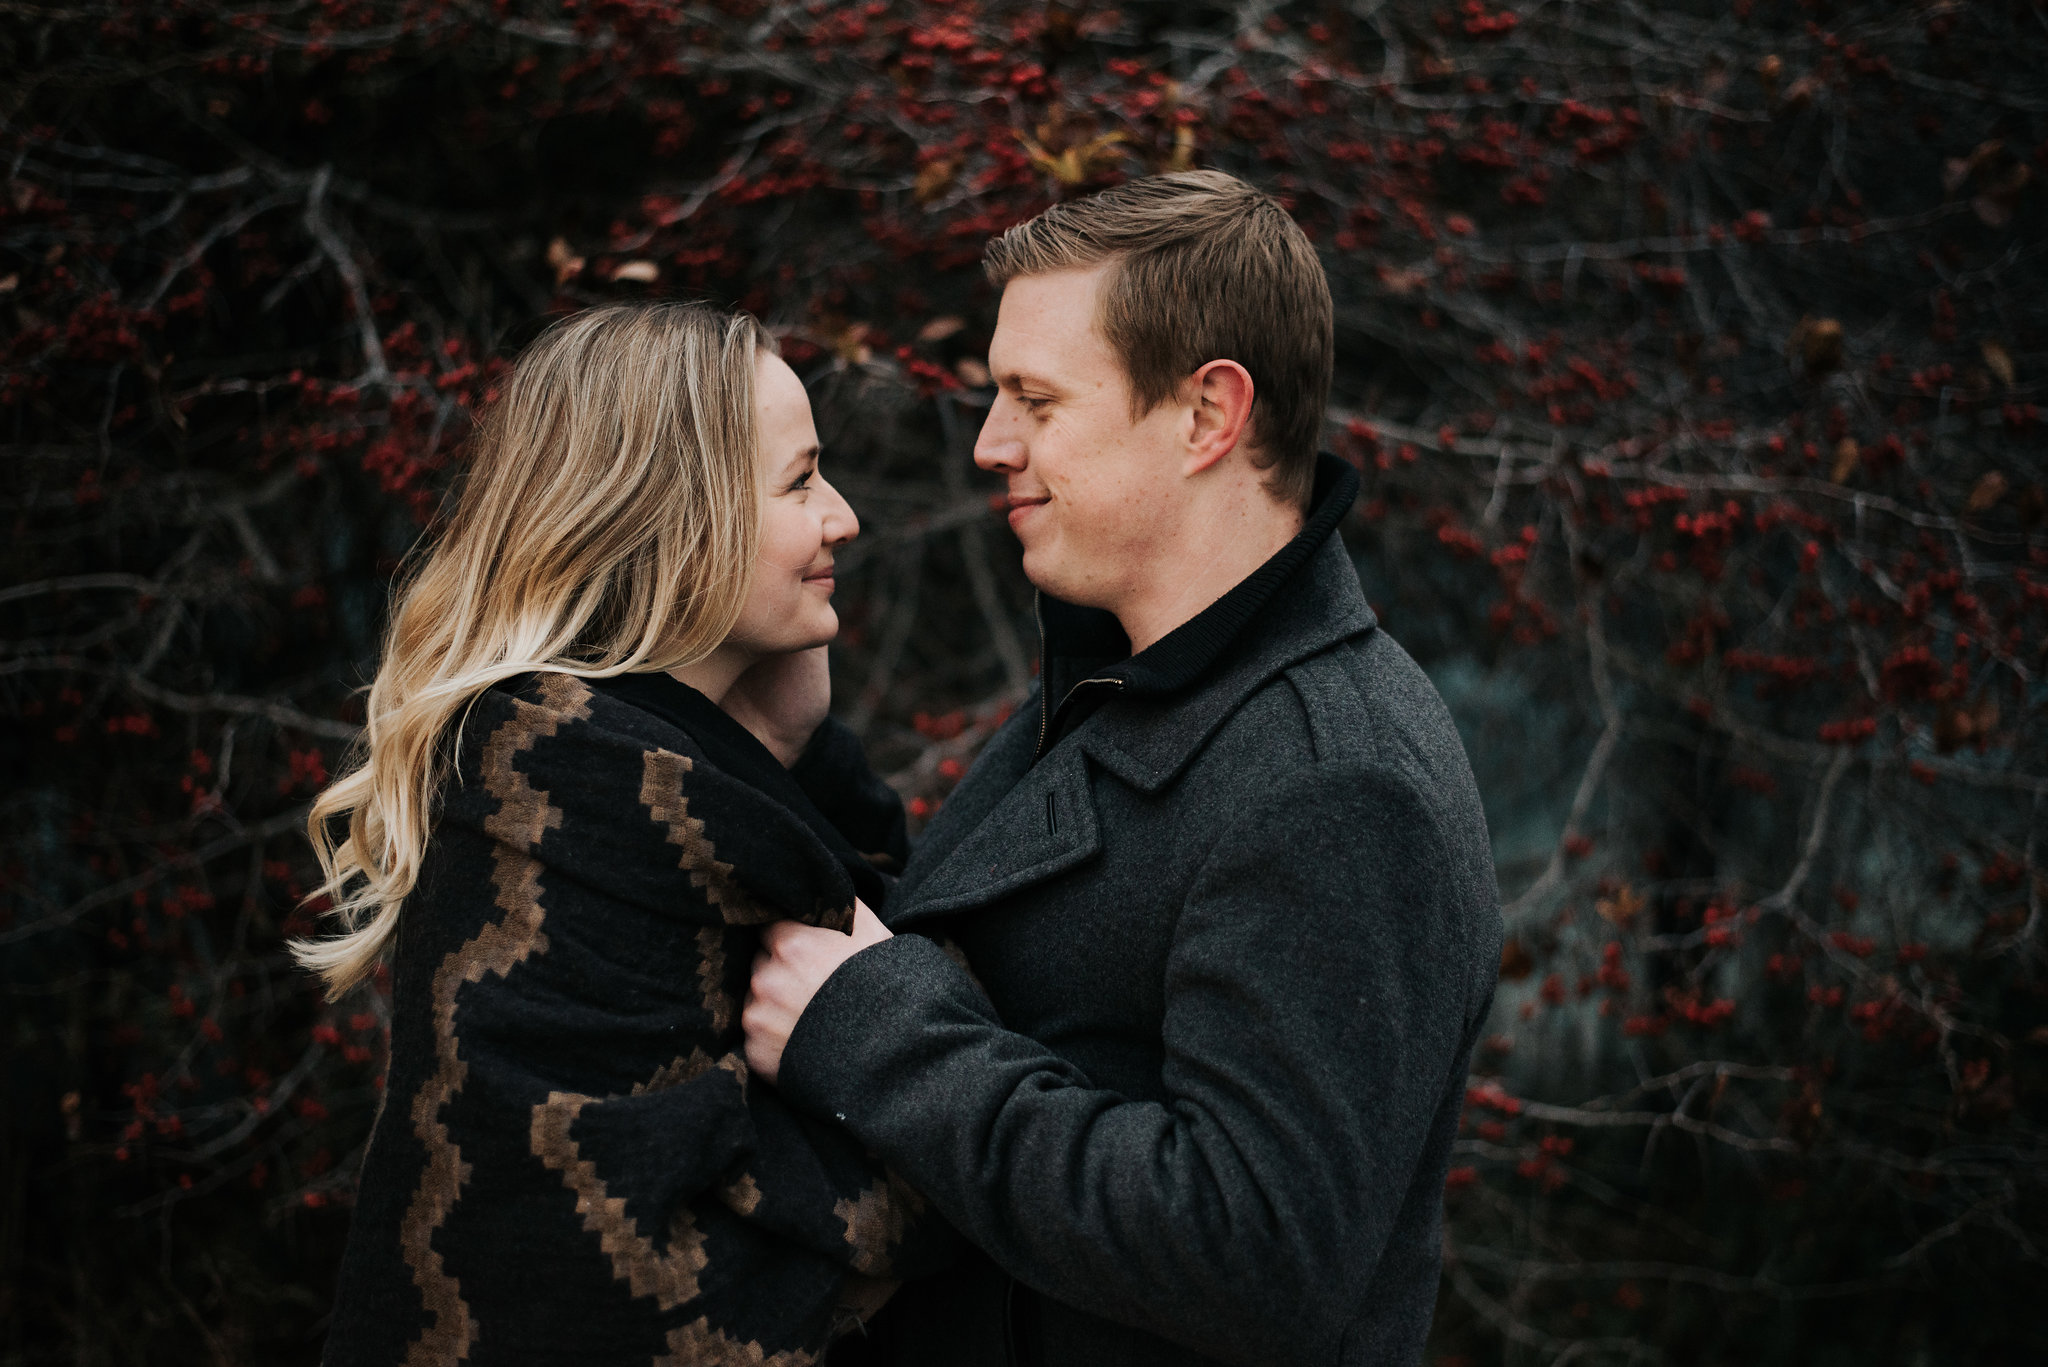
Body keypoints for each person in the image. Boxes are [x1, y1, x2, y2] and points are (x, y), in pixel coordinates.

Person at [743, 170, 1505, 1367]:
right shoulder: (1128, 686)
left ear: (1208, 415)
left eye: (1035, 400)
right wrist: (773, 741)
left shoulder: (1332, 778)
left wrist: (877, 1034)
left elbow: (1254, 1250)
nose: (993, 444)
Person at [293, 302, 949, 1367]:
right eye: (797, 482)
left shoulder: (655, 775)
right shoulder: (561, 799)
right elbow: (607, 1280)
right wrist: (926, 1072)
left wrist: (785, 749)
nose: (843, 517)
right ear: (670, 517)